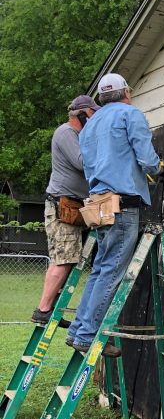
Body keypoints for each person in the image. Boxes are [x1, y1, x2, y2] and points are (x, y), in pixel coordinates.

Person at [65, 73, 162, 356]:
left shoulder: (90, 124)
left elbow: (88, 164)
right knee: (111, 272)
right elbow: (147, 160)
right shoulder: (129, 115)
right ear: (126, 93)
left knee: (100, 269)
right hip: (123, 204)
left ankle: (77, 330)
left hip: (99, 204)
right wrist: (160, 170)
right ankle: (86, 335)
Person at [31, 95, 100, 325]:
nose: (94, 118)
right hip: (62, 205)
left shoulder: (78, 135)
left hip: (71, 206)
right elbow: (82, 162)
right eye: (91, 113)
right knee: (63, 259)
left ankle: (50, 305)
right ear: (81, 113)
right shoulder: (66, 133)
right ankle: (43, 310)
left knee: (64, 258)